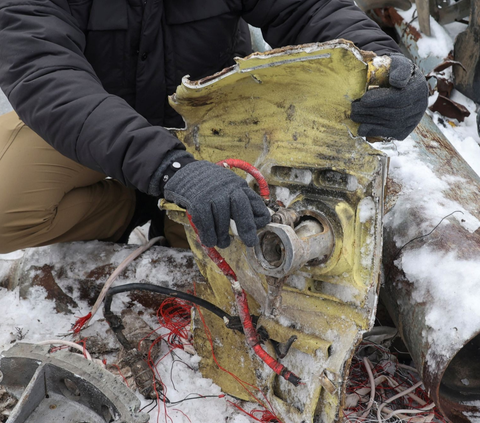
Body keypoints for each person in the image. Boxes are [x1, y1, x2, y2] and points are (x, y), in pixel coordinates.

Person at [0, 0, 428, 254]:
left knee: (227, 247)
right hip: (89, 126)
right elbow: (45, 73)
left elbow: (306, 8)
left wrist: (379, 65)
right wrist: (167, 170)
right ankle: (125, 208)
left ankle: (172, 221)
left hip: (212, 126)